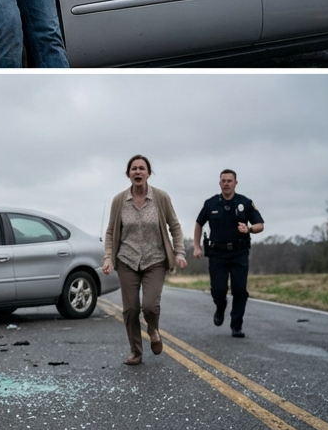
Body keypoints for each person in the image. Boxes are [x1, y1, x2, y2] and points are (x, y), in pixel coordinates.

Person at [103, 155, 187, 365]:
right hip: (127, 260)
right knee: (131, 309)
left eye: (142, 168)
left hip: (155, 260)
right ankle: (136, 351)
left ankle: (153, 328)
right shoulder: (119, 201)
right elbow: (111, 232)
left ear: (148, 173)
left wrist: (179, 252)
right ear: (128, 174)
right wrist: (108, 258)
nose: (138, 172)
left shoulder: (160, 198)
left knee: (150, 306)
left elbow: (174, 226)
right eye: (134, 169)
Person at [193, 169, 265, 337]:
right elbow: (198, 224)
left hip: (239, 253)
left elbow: (260, 225)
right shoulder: (211, 204)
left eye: (229, 181)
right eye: (223, 181)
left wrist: (248, 229)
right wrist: (197, 246)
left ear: (235, 183)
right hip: (217, 254)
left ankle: (236, 325)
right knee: (218, 290)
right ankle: (220, 306)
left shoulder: (245, 203)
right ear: (220, 183)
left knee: (239, 290)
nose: (226, 183)